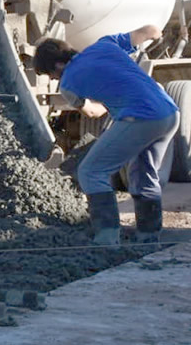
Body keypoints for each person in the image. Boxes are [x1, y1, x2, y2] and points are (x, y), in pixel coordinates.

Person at [32, 25, 179, 245]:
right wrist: (158, 39)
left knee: (91, 171)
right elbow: (151, 30)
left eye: (50, 74)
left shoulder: (68, 84)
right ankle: (148, 237)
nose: (53, 79)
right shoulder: (106, 44)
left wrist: (109, 99)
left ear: (59, 65)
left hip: (140, 118)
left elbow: (93, 111)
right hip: (169, 113)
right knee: (144, 172)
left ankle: (107, 239)